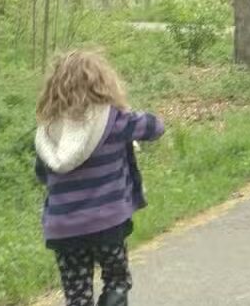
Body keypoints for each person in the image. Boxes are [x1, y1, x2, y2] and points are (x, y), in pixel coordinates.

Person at [34, 50, 165, 306]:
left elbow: (42, 174)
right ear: (103, 83)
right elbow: (155, 127)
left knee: (77, 295)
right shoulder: (116, 121)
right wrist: (123, 108)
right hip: (108, 224)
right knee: (117, 281)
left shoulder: (48, 130)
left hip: (65, 229)